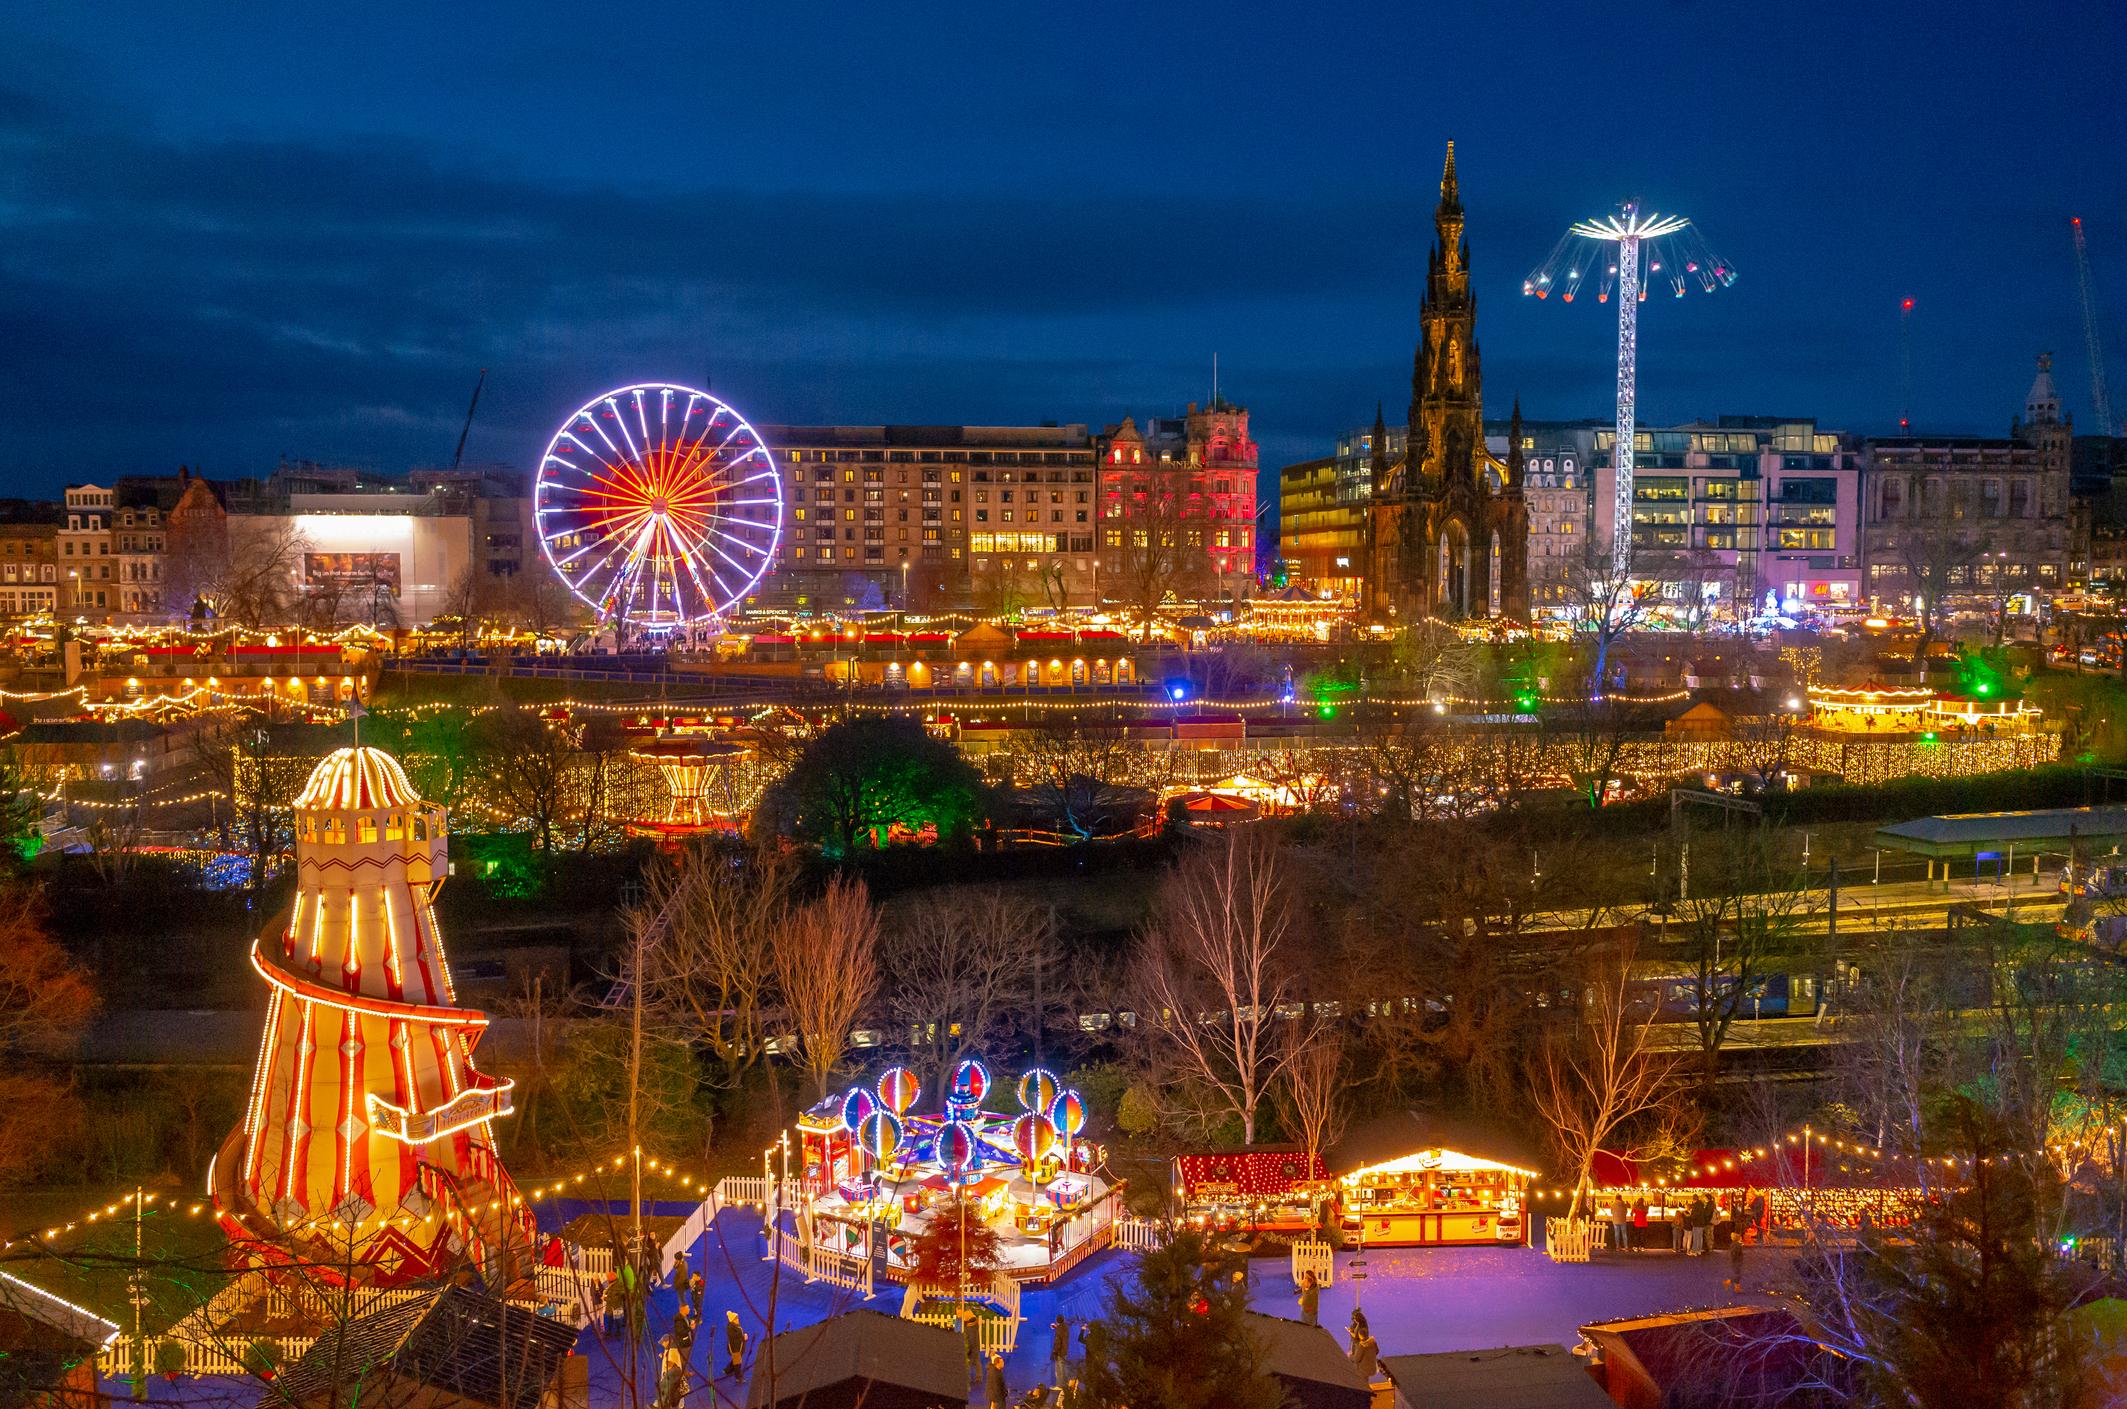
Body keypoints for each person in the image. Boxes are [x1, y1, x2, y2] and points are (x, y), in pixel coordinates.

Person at [722, 1310, 746, 1379]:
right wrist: (743, 1337)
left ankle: (728, 1370)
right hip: (735, 1349)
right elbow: (736, 1338)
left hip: (737, 1348)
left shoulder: (735, 1327)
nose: (738, 1320)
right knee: (737, 1363)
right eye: (736, 1318)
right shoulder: (731, 1329)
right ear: (733, 1320)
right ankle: (738, 1377)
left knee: (736, 1360)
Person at [1725, 1226, 1747, 1292]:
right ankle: (1735, 1286)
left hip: (1735, 1262)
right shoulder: (1737, 1245)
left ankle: (1732, 1285)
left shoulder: (1734, 1244)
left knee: (1737, 1274)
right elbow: (1735, 1254)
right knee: (1737, 1275)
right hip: (1737, 1262)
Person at [1051, 1313, 1070, 1384]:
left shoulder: (1059, 1329)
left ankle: (1060, 1385)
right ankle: (1065, 1384)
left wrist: (1055, 1351)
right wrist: (1057, 1327)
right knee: (1063, 1368)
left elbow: (1058, 1341)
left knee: (1059, 1369)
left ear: (1057, 1320)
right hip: (1064, 1350)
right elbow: (1063, 1335)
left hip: (1059, 1351)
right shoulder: (1065, 1327)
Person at [964, 1306, 983, 1377]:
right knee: (977, 1360)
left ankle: (968, 1375)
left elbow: (970, 1339)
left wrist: (968, 1349)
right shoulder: (975, 1325)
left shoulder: (968, 1328)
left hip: (971, 1346)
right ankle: (979, 1376)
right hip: (976, 1345)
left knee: (969, 1361)